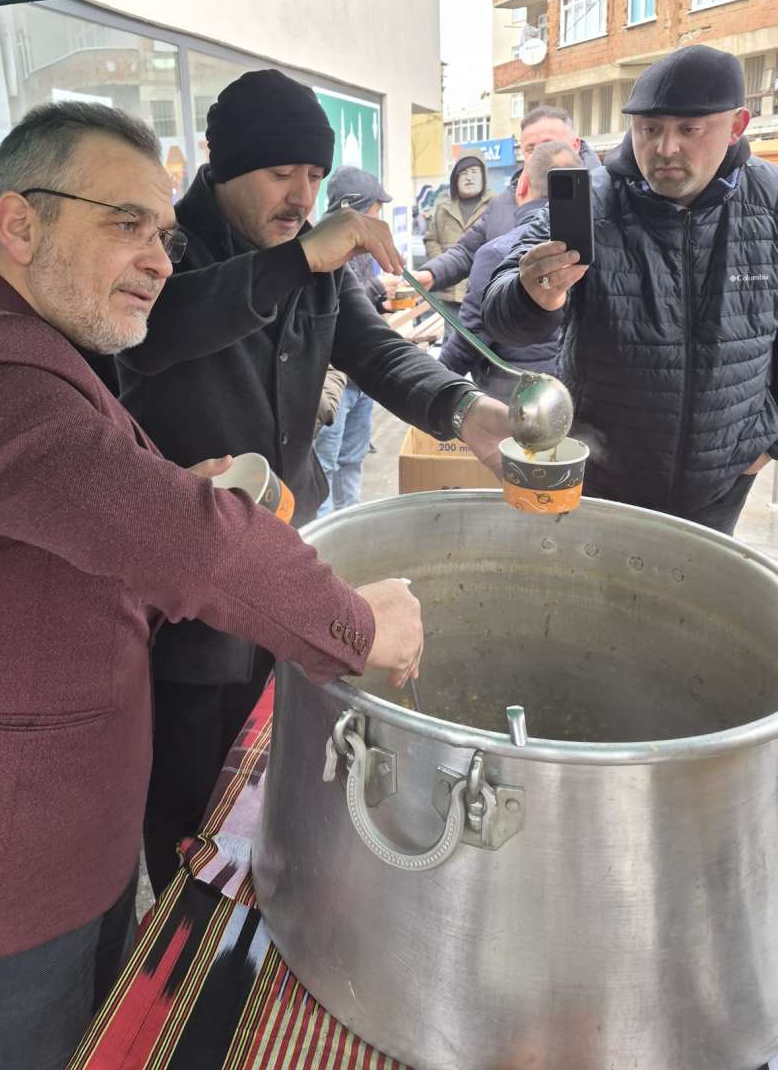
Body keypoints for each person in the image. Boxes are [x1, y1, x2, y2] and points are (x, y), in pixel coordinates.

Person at [0, 102, 424, 1070]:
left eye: (165, 234)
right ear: (20, 224)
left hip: (66, 850)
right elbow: (191, 546)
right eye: (124, 223)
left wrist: (174, 492)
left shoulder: (34, 348)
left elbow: (82, 521)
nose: (158, 259)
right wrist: (356, 626)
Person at [111, 68, 510, 894]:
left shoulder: (313, 259)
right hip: (184, 586)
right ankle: (186, 935)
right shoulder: (164, 248)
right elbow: (152, 336)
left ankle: (263, 898)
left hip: (286, 556)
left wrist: (464, 409)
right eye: (281, 173)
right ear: (223, 166)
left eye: (315, 176)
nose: (302, 195)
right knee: (187, 793)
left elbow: (374, 348)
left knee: (272, 765)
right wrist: (298, 258)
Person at [483, 45, 778, 535]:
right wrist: (534, 294)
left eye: (689, 129)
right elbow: (501, 312)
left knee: (693, 599)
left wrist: (767, 442)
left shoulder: (769, 200)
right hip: (605, 476)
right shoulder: (593, 202)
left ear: (737, 125)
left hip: (724, 481)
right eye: (650, 129)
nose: (665, 149)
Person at [440, 140, 582, 400]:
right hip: (575, 399)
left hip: (515, 401)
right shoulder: (601, 250)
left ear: (523, 186)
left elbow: (469, 342)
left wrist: (429, 386)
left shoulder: (497, 252)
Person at [414, 106, 600, 295]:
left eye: (547, 144)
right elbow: (467, 250)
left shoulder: (605, 197)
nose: (538, 154)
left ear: (575, 145)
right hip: (503, 317)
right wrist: (431, 274)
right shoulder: (501, 203)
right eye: (530, 148)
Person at [314, 166, 396, 514]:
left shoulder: (361, 250)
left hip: (361, 378)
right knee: (325, 464)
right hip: (333, 379)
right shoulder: (322, 246)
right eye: (375, 210)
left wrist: (379, 301)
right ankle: (325, 541)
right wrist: (378, 290)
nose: (379, 218)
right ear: (356, 209)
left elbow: (358, 303)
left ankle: (351, 518)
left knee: (353, 457)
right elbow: (329, 307)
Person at [422, 153, 493, 310]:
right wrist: (444, 266)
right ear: (455, 179)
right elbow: (431, 239)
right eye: (463, 173)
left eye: (474, 172)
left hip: (483, 293)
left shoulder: (495, 206)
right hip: (450, 293)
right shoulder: (443, 207)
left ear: (484, 176)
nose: (469, 178)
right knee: (452, 333)